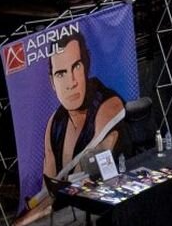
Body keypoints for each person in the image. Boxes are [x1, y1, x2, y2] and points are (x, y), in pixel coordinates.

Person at [40, 31, 125, 188]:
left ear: (86, 66)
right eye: (61, 74)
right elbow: (47, 190)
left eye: (76, 66)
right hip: (71, 199)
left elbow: (86, 175)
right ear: (52, 82)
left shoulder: (108, 106)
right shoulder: (55, 124)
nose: (71, 83)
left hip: (105, 194)